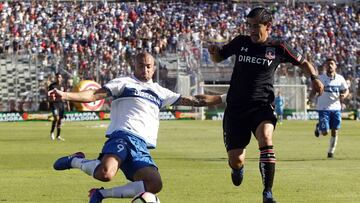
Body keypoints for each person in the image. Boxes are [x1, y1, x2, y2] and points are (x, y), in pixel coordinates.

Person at [49, 52, 204, 203]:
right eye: (141, 66)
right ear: (134, 67)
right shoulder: (123, 83)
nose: (145, 70)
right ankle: (75, 161)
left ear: (154, 68)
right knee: (106, 173)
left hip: (141, 145)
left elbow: (194, 100)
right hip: (122, 135)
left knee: (154, 184)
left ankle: (100, 194)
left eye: (148, 66)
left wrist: (225, 98)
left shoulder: (160, 92)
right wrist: (65, 95)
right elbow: (93, 95)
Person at [206, 7, 324, 203]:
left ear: (268, 26)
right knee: (236, 160)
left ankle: (267, 192)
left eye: (256, 26)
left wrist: (314, 78)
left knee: (266, 138)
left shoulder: (279, 47)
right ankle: (237, 169)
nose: (251, 30)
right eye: (249, 26)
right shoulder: (240, 42)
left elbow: (304, 62)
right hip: (236, 108)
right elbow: (219, 57)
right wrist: (213, 53)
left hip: (262, 106)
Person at [310, 58, 349, 158]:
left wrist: (344, 95)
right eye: (328, 64)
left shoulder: (340, 78)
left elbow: (346, 90)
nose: (330, 66)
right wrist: (310, 98)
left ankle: (331, 152)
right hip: (323, 108)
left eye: (332, 64)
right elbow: (314, 89)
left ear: (335, 66)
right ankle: (319, 128)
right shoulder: (320, 78)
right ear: (325, 66)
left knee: (335, 130)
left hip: (336, 108)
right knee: (325, 132)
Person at [48, 72, 69, 141]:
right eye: (57, 77)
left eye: (59, 77)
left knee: (60, 120)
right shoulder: (52, 86)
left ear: (61, 78)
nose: (58, 78)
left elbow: (66, 95)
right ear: (55, 78)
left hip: (61, 104)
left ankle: (58, 136)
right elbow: (49, 95)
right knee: (56, 118)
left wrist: (68, 105)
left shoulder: (63, 86)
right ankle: (51, 132)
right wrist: (50, 100)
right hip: (54, 104)